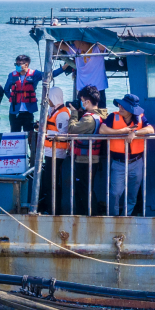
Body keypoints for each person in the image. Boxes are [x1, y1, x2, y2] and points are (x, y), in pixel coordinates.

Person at [99, 94, 153, 216]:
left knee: (132, 194)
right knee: (115, 193)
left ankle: (127, 216)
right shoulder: (113, 116)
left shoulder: (140, 118)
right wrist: (121, 132)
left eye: (123, 106)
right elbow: (102, 130)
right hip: (118, 163)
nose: (120, 107)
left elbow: (150, 129)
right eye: (120, 105)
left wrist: (135, 133)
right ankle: (114, 217)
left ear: (131, 110)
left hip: (137, 162)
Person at [2, 54, 65, 134]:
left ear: (26, 65)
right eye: (16, 64)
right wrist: (13, 98)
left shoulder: (34, 74)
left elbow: (49, 75)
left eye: (19, 64)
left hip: (28, 112)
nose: (17, 66)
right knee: (15, 136)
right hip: (14, 112)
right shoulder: (12, 75)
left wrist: (63, 69)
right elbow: (6, 89)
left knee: (30, 136)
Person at [69, 84, 107, 215]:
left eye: (82, 100)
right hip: (92, 158)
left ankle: (90, 216)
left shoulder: (88, 118)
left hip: (85, 160)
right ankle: (90, 215)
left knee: (84, 190)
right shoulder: (99, 115)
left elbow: (72, 129)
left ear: (88, 101)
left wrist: (74, 113)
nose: (81, 102)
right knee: (87, 188)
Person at [38, 86, 71, 214]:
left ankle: (54, 209)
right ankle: (48, 206)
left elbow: (63, 133)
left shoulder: (62, 114)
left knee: (52, 182)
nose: (48, 101)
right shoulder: (53, 111)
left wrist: (45, 132)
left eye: (49, 98)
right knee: (48, 181)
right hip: (49, 152)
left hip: (57, 153)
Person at [62, 40, 109, 107]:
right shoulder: (76, 50)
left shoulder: (97, 49)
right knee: (81, 112)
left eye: (74, 40)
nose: (73, 42)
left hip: (98, 88)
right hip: (83, 88)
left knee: (100, 112)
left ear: (82, 43)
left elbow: (102, 43)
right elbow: (59, 45)